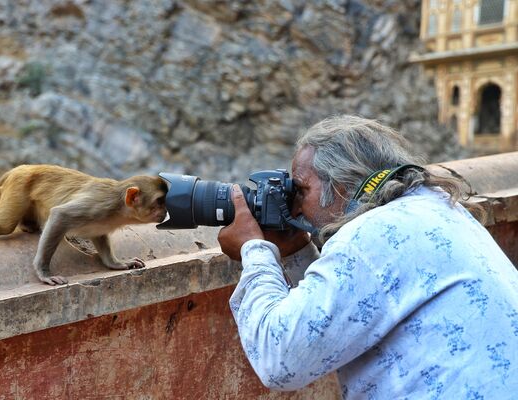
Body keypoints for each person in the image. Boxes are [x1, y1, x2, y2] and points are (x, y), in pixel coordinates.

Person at [218, 115, 518, 398]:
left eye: (301, 190)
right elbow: (338, 312)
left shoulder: (372, 234)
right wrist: (297, 252)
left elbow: (280, 357)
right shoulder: (434, 208)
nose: (295, 209)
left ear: (341, 185)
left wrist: (254, 250)